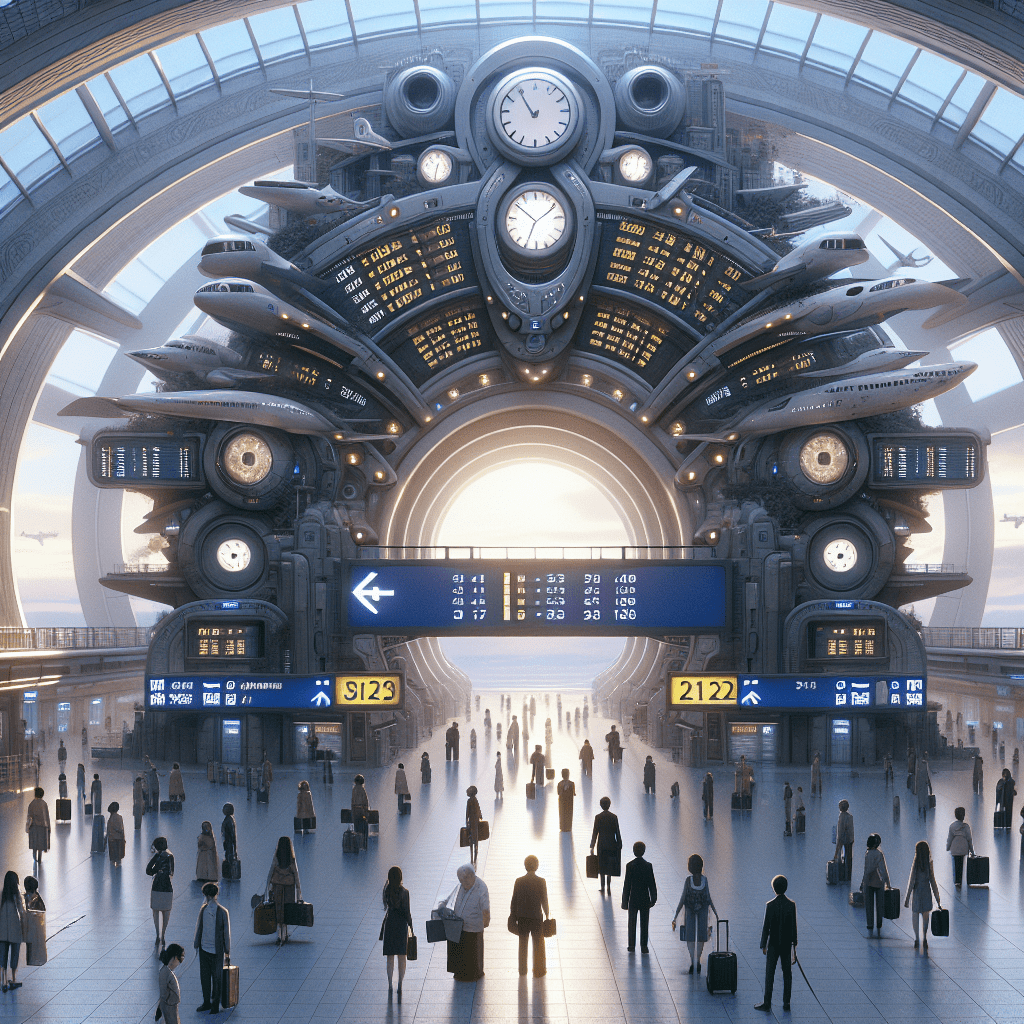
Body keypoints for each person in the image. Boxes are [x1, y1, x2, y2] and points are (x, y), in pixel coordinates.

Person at [755, 875, 797, 1013]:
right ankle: (786, 1002)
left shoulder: (770, 905)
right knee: (787, 974)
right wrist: (794, 946)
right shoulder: (791, 905)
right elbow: (793, 927)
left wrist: (763, 945)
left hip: (773, 945)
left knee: (770, 973)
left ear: (773, 888)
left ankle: (767, 1002)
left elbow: (766, 927)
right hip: (785, 945)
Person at [673, 853, 717, 974]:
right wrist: (715, 913)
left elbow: (683, 898)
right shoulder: (705, 880)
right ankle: (698, 959)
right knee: (702, 935)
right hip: (703, 909)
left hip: (689, 910)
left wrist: (675, 916)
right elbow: (708, 897)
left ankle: (693, 961)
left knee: (690, 936)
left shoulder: (688, 880)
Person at [448, 863, 490, 982]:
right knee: (462, 950)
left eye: (464, 880)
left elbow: (485, 908)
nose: (462, 884)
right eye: (460, 881)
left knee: (474, 951)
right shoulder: (463, 885)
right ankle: (461, 973)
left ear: (471, 876)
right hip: (461, 926)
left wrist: (485, 922)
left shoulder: (481, 887)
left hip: (474, 926)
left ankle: (475, 973)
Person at [193, 882, 230, 1013]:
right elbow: (226, 933)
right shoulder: (222, 911)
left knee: (206, 977)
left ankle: (208, 1002)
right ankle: (213, 1004)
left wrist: (196, 943)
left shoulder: (204, 909)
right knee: (216, 977)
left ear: (206, 895)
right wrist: (227, 950)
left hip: (205, 949)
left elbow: (199, 927)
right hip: (216, 950)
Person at [510, 855, 550, 977]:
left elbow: (514, 900)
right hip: (536, 918)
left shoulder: (519, 881)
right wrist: (547, 915)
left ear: (525, 866)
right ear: (536, 866)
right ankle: (538, 970)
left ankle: (522, 970)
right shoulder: (541, 881)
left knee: (522, 944)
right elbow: (544, 900)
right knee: (538, 944)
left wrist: (513, 915)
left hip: (522, 918)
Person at [381, 866, 414, 994]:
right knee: (402, 955)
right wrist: (411, 925)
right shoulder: (405, 892)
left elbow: (385, 906)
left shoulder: (386, 891)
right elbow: (407, 911)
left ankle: (390, 984)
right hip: (401, 925)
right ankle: (400, 983)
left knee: (390, 956)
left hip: (390, 924)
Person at [621, 841, 657, 954]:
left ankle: (631, 945)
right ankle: (644, 946)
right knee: (644, 923)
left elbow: (627, 885)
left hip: (633, 899)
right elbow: (652, 884)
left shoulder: (630, 866)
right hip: (645, 898)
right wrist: (653, 898)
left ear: (633, 851)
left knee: (631, 922)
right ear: (644, 851)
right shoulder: (648, 866)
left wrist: (624, 902)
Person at [905, 840, 941, 949]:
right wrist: (938, 899)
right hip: (926, 891)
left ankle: (916, 938)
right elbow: (933, 881)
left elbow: (911, 880)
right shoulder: (929, 863)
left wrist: (907, 898)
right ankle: (925, 937)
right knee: (926, 916)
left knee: (915, 915)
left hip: (917, 892)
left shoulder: (915, 862)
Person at [267, 836, 301, 945]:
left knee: (279, 911)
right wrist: (299, 892)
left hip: (278, 887)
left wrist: (267, 887)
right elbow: (296, 875)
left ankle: (279, 935)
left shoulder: (276, 858)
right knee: (286, 910)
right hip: (289, 888)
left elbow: (271, 872)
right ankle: (285, 934)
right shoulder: (291, 859)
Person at [590, 796, 623, 896]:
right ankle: (609, 886)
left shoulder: (598, 817)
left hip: (601, 845)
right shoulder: (614, 817)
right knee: (610, 866)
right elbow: (617, 831)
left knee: (601, 866)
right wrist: (619, 843)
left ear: (601, 805)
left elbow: (595, 832)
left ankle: (602, 886)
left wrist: (592, 845)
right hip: (612, 844)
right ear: (609, 805)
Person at [859, 833, 891, 935]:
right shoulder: (879, 854)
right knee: (879, 904)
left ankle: (870, 924)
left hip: (868, 882)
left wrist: (863, 882)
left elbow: (866, 870)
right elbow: (883, 869)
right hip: (879, 883)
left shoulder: (867, 853)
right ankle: (879, 923)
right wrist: (888, 882)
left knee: (869, 905)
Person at [0, 872, 26, 992]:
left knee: (2, 954)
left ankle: (3, 980)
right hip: (14, 929)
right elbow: (21, 911)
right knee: (15, 953)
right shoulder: (17, 895)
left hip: (2, 929)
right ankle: (14, 978)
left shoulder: (2, 894)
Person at [147, 837, 175, 946]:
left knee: (156, 911)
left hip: (157, 886)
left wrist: (156, 871)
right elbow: (171, 872)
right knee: (166, 912)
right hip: (167, 887)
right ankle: (163, 934)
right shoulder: (170, 855)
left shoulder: (157, 856)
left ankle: (157, 934)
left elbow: (148, 870)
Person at [946, 806, 975, 888]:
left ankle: (957, 881)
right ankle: (961, 880)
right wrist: (972, 851)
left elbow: (950, 838)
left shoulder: (952, 826)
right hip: (963, 848)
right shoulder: (966, 827)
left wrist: (948, 847)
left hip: (954, 848)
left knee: (955, 863)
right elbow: (969, 839)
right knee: (961, 863)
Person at [158, 943, 185, 1024]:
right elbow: (163, 993)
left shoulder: (167, 971)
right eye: (179, 959)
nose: (179, 963)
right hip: (169, 1006)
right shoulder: (165, 972)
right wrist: (169, 1000)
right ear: (174, 958)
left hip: (172, 1005)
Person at [22, 876, 45, 968]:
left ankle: (31, 959)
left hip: (31, 925)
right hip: (38, 925)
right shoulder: (37, 897)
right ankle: (35, 958)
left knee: (31, 944)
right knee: (36, 943)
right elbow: (43, 909)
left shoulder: (28, 898)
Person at [26, 787, 49, 863]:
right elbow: (46, 817)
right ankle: (39, 857)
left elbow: (29, 816)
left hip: (33, 826)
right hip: (42, 827)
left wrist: (27, 827)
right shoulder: (44, 804)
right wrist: (48, 827)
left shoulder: (32, 804)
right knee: (40, 843)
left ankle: (34, 855)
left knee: (34, 842)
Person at [834, 799, 854, 881]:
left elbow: (841, 830)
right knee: (848, 858)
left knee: (839, 856)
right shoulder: (850, 816)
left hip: (843, 839)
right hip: (850, 840)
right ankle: (848, 875)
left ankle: (841, 874)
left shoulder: (841, 817)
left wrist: (838, 845)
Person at [465, 786, 483, 862]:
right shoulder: (475, 800)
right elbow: (478, 809)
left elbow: (467, 812)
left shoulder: (469, 801)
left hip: (472, 821)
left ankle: (472, 853)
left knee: (472, 836)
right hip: (476, 820)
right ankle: (476, 850)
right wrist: (480, 816)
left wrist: (467, 821)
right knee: (476, 837)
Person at [352, 774, 370, 843]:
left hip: (355, 811)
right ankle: (363, 839)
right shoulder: (362, 790)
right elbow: (365, 801)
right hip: (362, 811)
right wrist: (366, 811)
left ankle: (357, 839)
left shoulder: (354, 790)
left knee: (356, 825)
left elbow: (353, 801)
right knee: (364, 822)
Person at [107, 801, 126, 867]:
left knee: (112, 859)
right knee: (118, 859)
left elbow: (109, 829)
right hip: (119, 839)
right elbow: (121, 829)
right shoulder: (119, 817)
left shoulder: (110, 819)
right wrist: (123, 838)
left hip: (112, 840)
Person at [915, 752, 932, 817]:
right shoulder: (925, 764)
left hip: (921, 783)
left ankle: (920, 809)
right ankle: (923, 808)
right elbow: (927, 775)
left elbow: (917, 774)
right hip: (924, 783)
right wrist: (930, 786)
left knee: (921, 796)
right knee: (924, 796)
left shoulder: (919, 763)